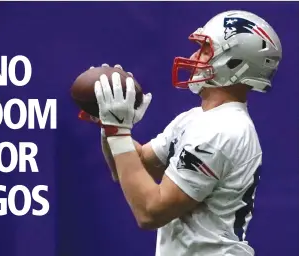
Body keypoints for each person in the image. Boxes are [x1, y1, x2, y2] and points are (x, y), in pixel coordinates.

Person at [79, 10, 282, 256]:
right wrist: (109, 125)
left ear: (235, 64)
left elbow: (150, 211)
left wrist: (118, 130)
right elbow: (139, 164)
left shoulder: (223, 130)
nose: (193, 56)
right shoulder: (196, 119)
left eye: (206, 50)